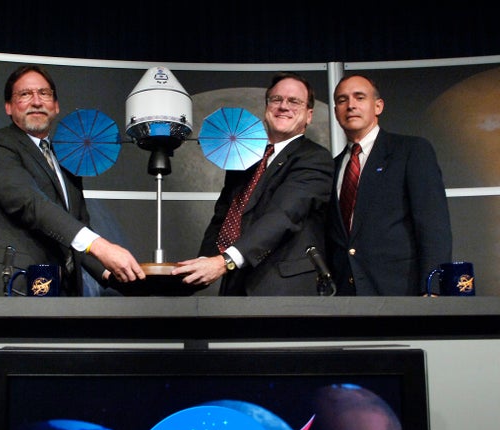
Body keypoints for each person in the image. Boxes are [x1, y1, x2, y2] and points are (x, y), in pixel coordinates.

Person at [0, 64, 145, 296]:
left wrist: (112, 275)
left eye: (44, 94)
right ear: (9, 107)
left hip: (57, 293)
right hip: (8, 288)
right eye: (25, 94)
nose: (36, 101)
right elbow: (29, 201)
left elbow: (76, 227)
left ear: (55, 106)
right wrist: (100, 246)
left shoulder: (66, 161)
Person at [172, 72, 334, 295]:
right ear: (267, 108)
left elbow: (283, 215)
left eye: (294, 101)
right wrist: (202, 265)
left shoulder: (314, 158)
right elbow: (224, 218)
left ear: (309, 115)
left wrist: (224, 261)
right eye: (276, 99)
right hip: (235, 287)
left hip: (284, 291)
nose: (283, 106)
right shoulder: (246, 160)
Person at [325, 74, 452, 295]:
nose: (351, 105)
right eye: (342, 100)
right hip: (345, 299)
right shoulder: (332, 168)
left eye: (360, 97)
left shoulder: (410, 151)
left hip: (401, 293)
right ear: (336, 112)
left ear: (378, 106)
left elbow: (433, 225)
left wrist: (433, 289)